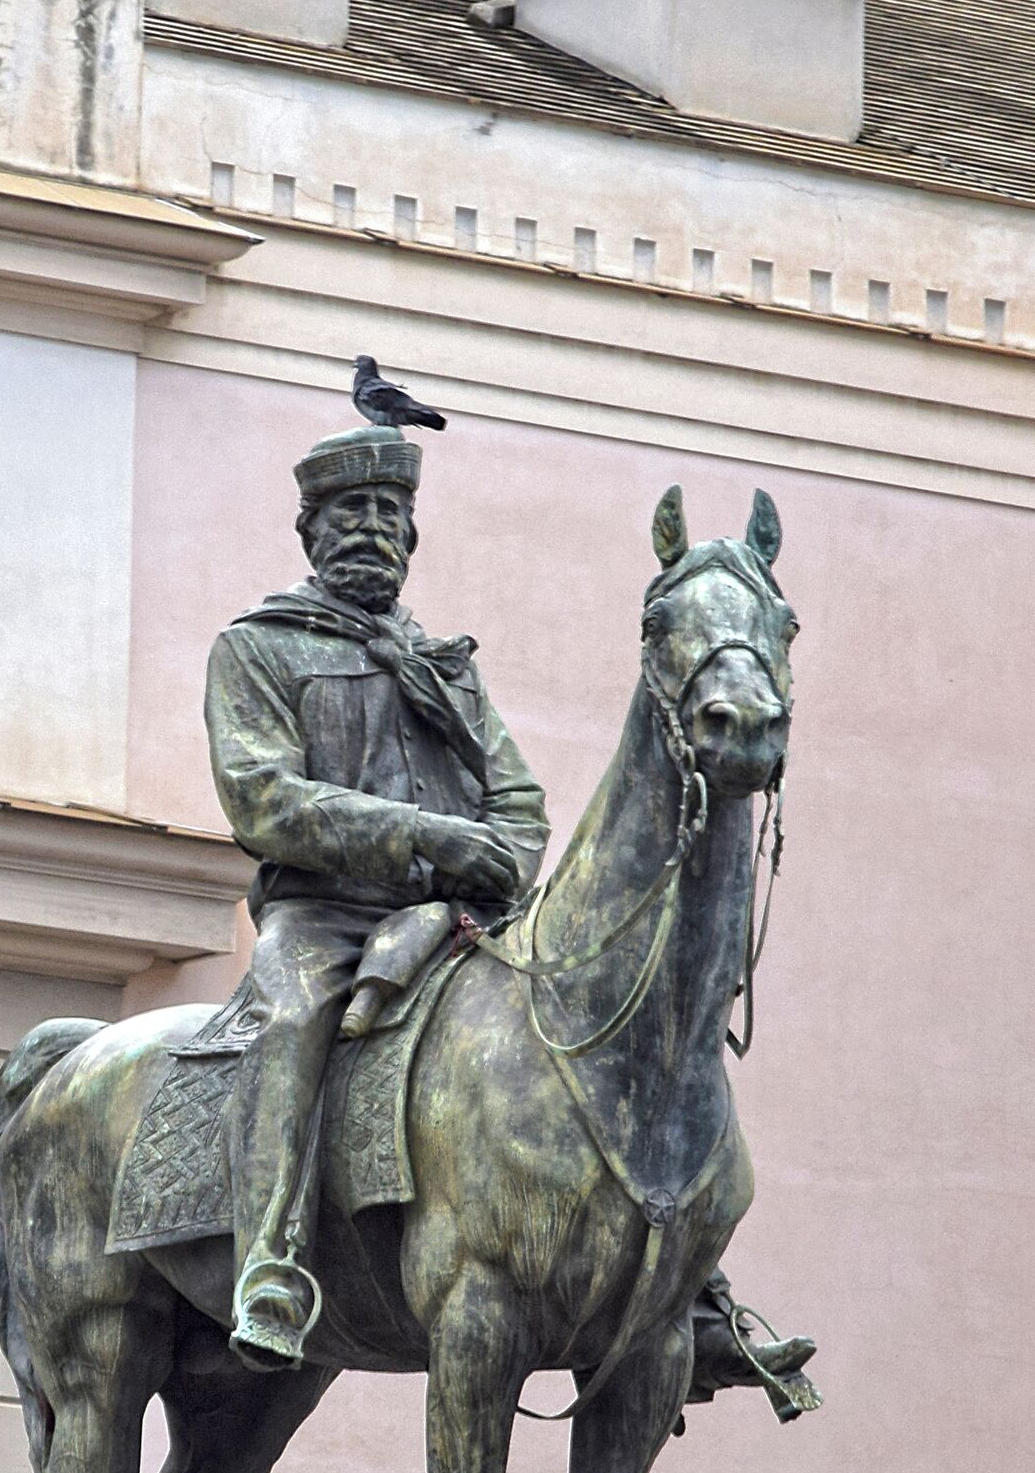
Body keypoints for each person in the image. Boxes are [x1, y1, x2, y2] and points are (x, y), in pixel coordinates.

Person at [202, 424, 819, 1416]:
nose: (371, 532)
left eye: (389, 516)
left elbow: (519, 802)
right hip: (323, 917)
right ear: (309, 531)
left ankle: (689, 1293)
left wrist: (499, 858)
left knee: (591, 1028)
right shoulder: (258, 649)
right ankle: (270, 1264)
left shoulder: (447, 668)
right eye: (349, 515)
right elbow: (263, 800)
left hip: (454, 919)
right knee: (288, 1020)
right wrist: (437, 838)